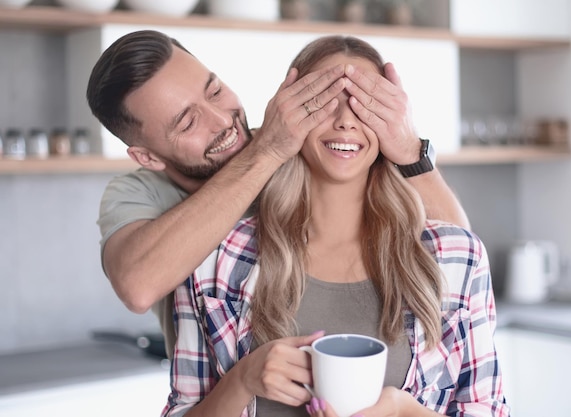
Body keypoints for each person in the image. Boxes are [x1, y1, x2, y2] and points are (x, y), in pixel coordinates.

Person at [163, 35, 509, 417]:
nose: (345, 121)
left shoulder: (458, 257)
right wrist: (243, 379)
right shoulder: (216, 258)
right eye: (323, 102)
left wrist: (402, 411)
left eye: (365, 106)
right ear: (289, 115)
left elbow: (488, 409)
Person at [87, 30, 470, 358]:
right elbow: (138, 285)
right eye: (188, 122)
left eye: (215, 91)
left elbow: (459, 264)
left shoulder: (305, 145)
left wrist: (410, 153)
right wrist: (266, 151)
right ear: (147, 156)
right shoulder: (139, 193)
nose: (223, 121)